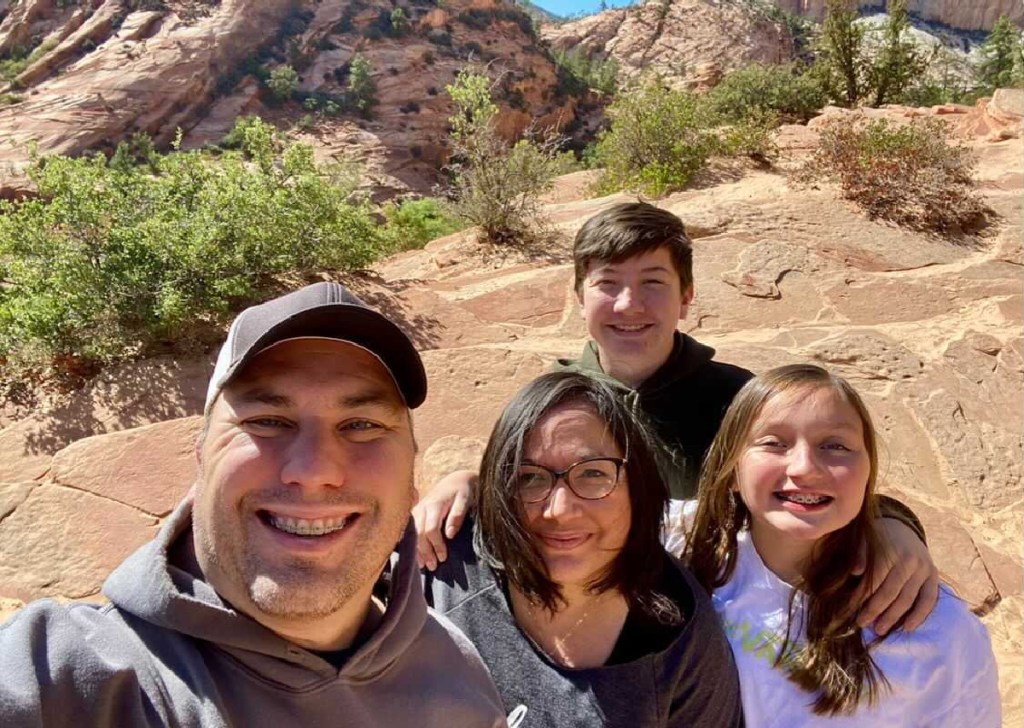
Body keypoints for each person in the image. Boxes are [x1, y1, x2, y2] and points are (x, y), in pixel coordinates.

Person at [418, 201, 939, 637]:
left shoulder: (736, 397)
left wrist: (891, 523)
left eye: (653, 282)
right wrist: (465, 482)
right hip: (594, 626)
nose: (629, 304)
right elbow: (522, 493)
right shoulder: (552, 407)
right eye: (607, 283)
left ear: (686, 296)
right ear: (579, 298)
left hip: (722, 626)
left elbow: (815, 481)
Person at [0, 282, 507, 727]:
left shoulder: (455, 670)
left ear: (412, 479)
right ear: (200, 456)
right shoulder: (68, 678)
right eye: (267, 420)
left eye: (362, 425)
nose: (313, 471)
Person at [673, 364, 1000, 726]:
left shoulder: (936, 625)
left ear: (867, 474)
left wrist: (892, 521)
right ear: (732, 467)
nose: (804, 468)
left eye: (835, 446)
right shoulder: (679, 547)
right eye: (773, 443)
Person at [424, 371, 744, 727]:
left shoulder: (680, 637)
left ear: (638, 485)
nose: (559, 510)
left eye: (593, 474)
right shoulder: (449, 566)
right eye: (529, 477)